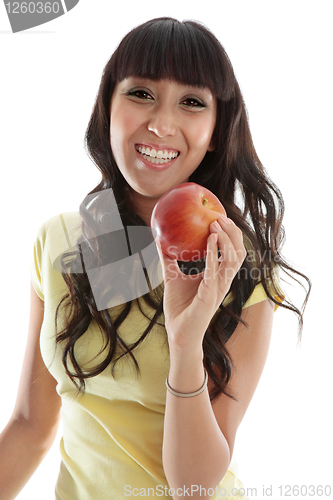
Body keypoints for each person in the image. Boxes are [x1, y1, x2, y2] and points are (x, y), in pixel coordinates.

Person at [0, 17, 310, 500]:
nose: (161, 124)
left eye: (191, 102)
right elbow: (30, 424)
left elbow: (193, 486)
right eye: (141, 93)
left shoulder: (238, 265)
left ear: (215, 130)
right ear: (107, 107)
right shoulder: (58, 240)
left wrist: (185, 346)